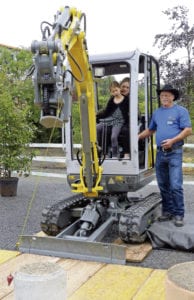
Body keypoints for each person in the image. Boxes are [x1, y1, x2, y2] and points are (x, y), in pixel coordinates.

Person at [138, 84, 192, 227]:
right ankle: (167, 212)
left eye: (167, 95)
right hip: (160, 153)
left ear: (173, 97)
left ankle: (179, 214)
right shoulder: (157, 113)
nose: (165, 98)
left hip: (174, 152)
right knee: (163, 185)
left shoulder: (181, 111)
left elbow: (187, 130)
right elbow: (150, 130)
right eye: (162, 95)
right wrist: (136, 138)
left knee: (175, 185)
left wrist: (173, 140)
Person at [97, 80, 129, 158]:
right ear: (111, 92)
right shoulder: (111, 100)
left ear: (119, 89)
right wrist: (97, 115)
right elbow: (106, 111)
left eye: (116, 90)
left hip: (119, 122)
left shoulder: (126, 100)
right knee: (97, 127)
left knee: (114, 137)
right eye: (113, 91)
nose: (115, 92)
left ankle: (115, 154)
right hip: (110, 120)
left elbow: (129, 112)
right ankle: (98, 146)